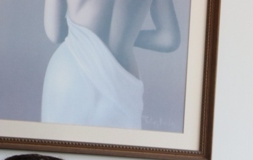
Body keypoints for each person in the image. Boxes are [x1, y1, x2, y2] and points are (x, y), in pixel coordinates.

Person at [41, 0, 180, 128]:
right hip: (122, 80)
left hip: (71, 71)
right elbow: (169, 39)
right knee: (116, 149)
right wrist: (126, 40)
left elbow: (55, 34)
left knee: (63, 147)